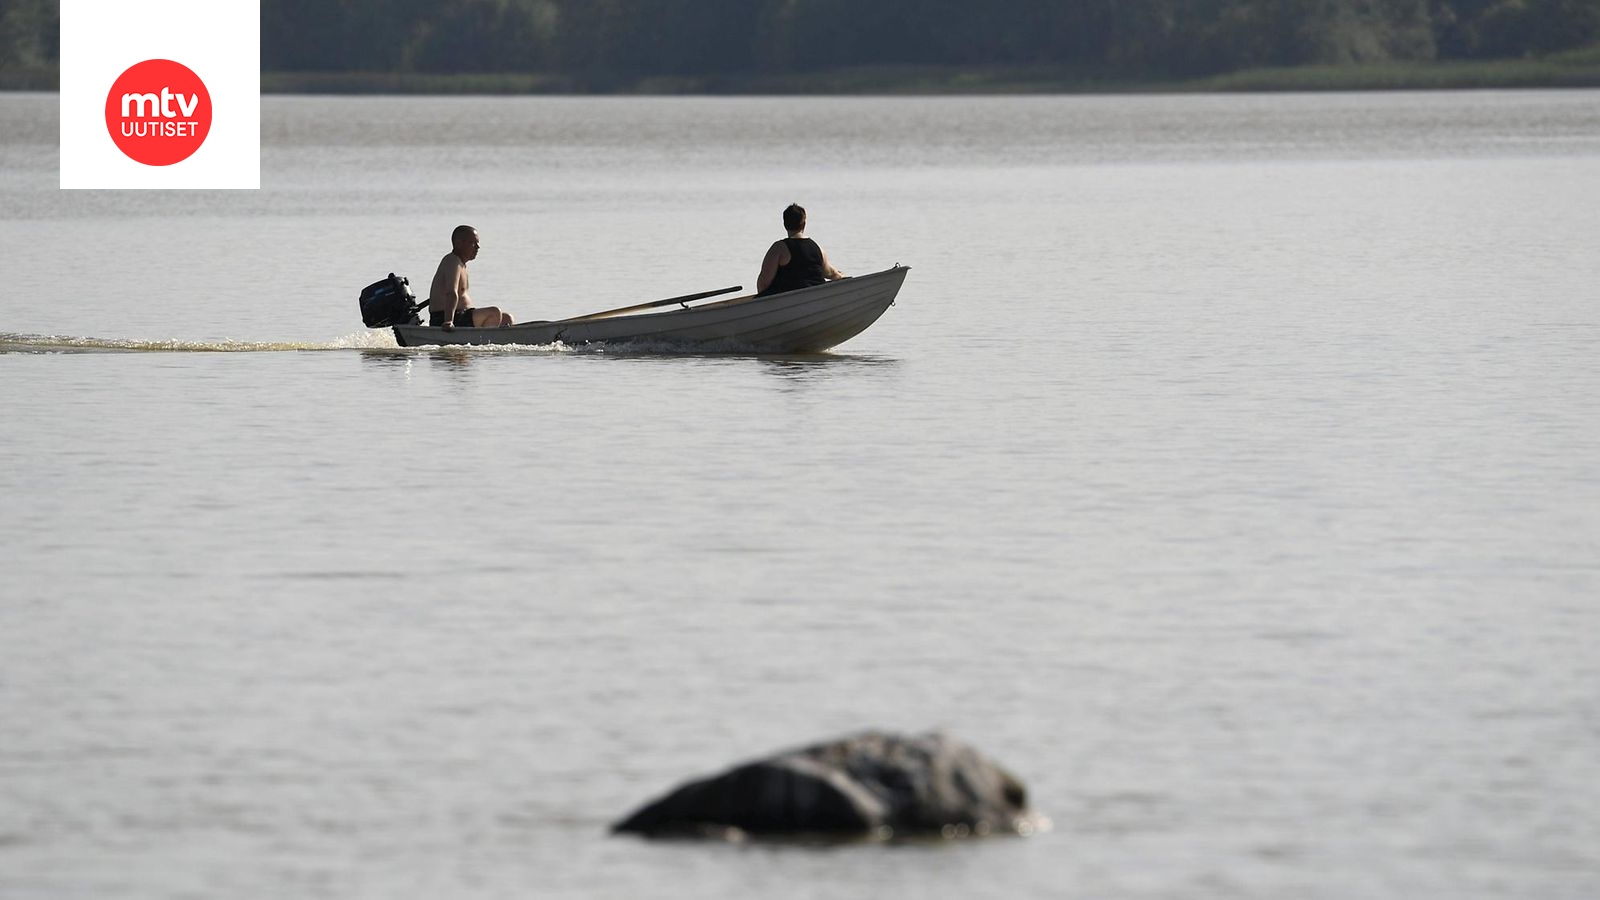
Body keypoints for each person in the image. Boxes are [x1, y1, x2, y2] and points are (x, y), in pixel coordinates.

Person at [428, 225, 513, 329]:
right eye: (473, 243)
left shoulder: (462, 264)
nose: (478, 247)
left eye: (478, 243)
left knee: (507, 318)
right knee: (494, 312)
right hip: (446, 318)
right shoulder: (452, 261)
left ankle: (492, 339)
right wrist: (448, 321)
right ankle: (485, 342)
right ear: (459, 243)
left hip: (463, 316)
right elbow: (451, 292)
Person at [757, 204, 846, 296]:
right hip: (816, 297)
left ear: (785, 224)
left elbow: (764, 282)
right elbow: (830, 273)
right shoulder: (818, 248)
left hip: (786, 300)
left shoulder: (779, 248)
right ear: (804, 224)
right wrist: (842, 276)